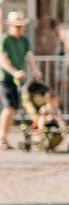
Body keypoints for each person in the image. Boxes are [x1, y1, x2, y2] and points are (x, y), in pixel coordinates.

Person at [2, 11, 40, 150]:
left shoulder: (24, 40)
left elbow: (29, 55)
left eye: (21, 25)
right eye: (16, 26)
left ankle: (4, 137)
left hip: (18, 80)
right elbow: (2, 59)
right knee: (9, 107)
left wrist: (35, 70)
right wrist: (13, 72)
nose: (19, 28)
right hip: (4, 78)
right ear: (11, 26)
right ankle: (2, 137)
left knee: (13, 108)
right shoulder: (4, 39)